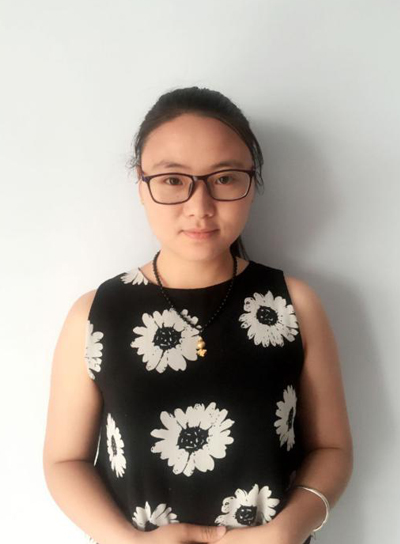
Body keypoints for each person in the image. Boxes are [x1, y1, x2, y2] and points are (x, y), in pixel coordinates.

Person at [43, 86, 353, 544]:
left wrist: (290, 528)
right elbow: (63, 461)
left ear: (252, 183)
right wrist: (130, 542)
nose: (199, 207)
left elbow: (332, 448)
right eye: (173, 179)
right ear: (142, 185)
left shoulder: (294, 304)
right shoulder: (94, 315)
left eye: (224, 178)